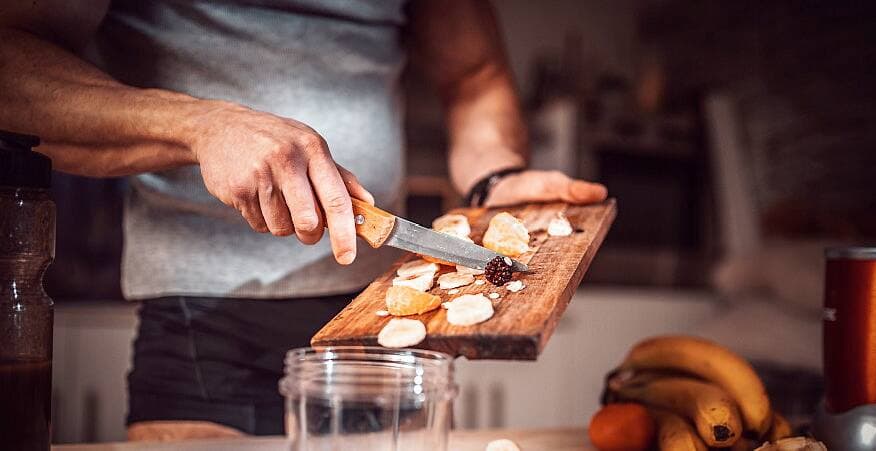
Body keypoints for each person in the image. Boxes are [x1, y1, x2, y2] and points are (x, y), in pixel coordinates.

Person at [0, 0, 607, 440]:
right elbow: (13, 68)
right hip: (205, 326)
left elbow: (475, 78)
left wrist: (494, 177)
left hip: (380, 322)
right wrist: (200, 124)